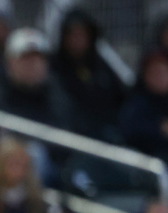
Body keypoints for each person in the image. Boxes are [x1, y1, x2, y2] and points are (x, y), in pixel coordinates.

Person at [0, 28, 73, 167]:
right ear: (9, 62)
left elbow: (66, 149)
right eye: (25, 58)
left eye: (37, 58)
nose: (32, 64)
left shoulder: (60, 100)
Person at [50, 8, 127, 142]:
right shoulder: (54, 68)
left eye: (82, 34)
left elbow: (122, 98)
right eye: (72, 35)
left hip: (108, 135)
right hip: (73, 140)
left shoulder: (100, 64)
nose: (77, 40)